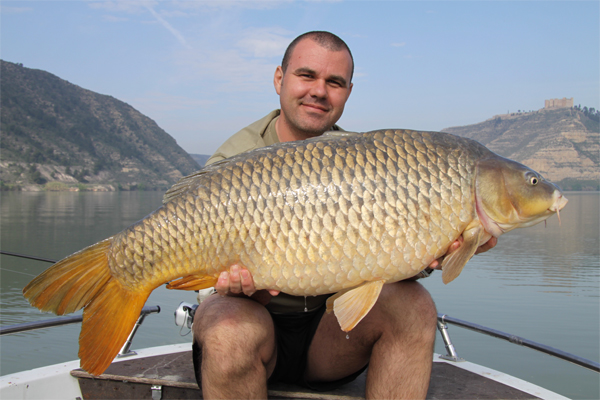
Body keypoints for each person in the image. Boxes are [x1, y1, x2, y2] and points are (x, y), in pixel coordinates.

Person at [192, 31, 497, 399]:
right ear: (279, 78)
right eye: (307, 76)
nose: (319, 91)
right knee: (226, 330)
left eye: (334, 82)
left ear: (348, 92)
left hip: (331, 336)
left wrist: (431, 254)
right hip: (255, 329)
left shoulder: (366, 160)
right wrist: (234, 290)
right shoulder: (232, 164)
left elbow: (387, 256)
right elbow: (201, 285)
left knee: (414, 305)